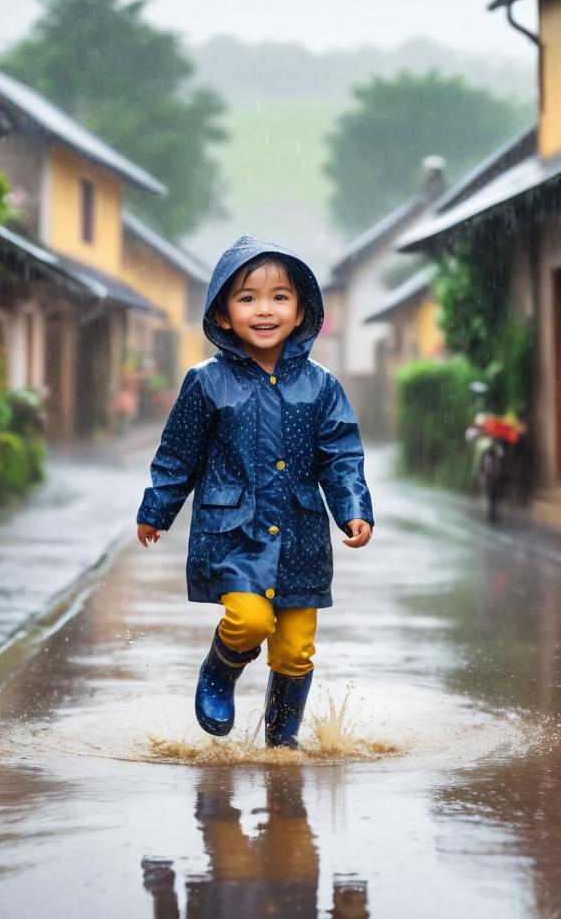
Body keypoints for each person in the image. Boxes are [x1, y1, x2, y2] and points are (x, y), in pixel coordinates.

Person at [135, 235, 373, 749]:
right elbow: (178, 454)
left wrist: (352, 507)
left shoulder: (321, 386)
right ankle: (219, 672)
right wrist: (158, 508)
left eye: (279, 297)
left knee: (295, 649)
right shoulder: (206, 383)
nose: (264, 310)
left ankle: (281, 741)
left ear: (301, 309)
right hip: (234, 533)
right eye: (247, 298)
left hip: (300, 534)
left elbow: (341, 455)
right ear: (222, 315)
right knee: (248, 619)